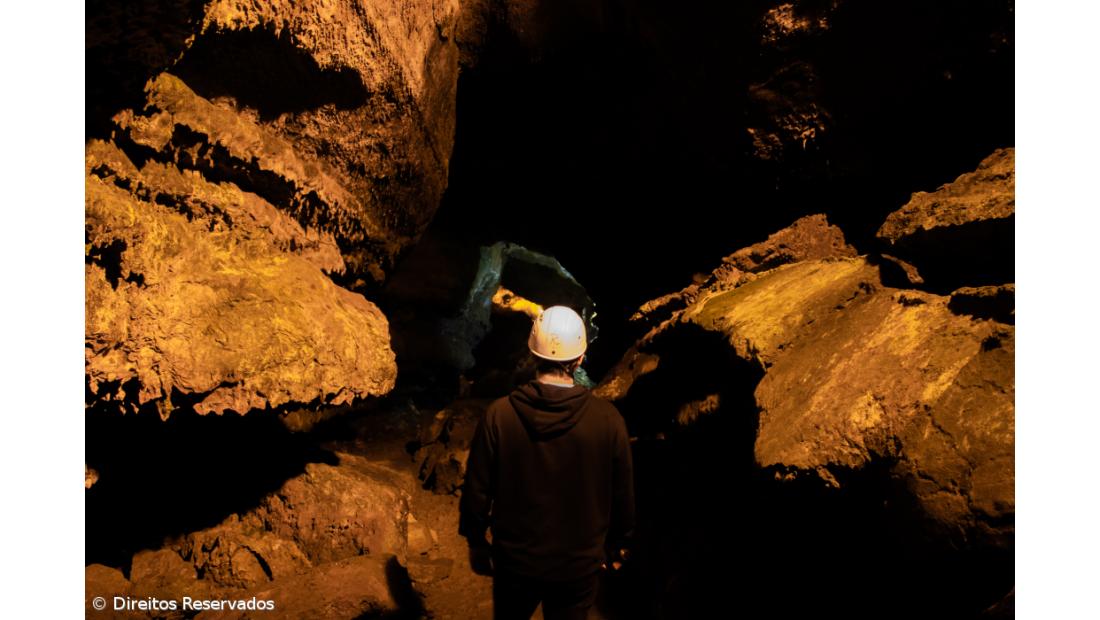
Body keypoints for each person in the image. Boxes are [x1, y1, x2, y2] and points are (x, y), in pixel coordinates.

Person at [459, 305, 636, 620]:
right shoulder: (607, 419)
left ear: (533, 354)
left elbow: (478, 486)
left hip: (515, 562)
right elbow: (622, 490)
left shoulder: (500, 414)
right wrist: (620, 543)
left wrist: (475, 540)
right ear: (580, 358)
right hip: (577, 565)